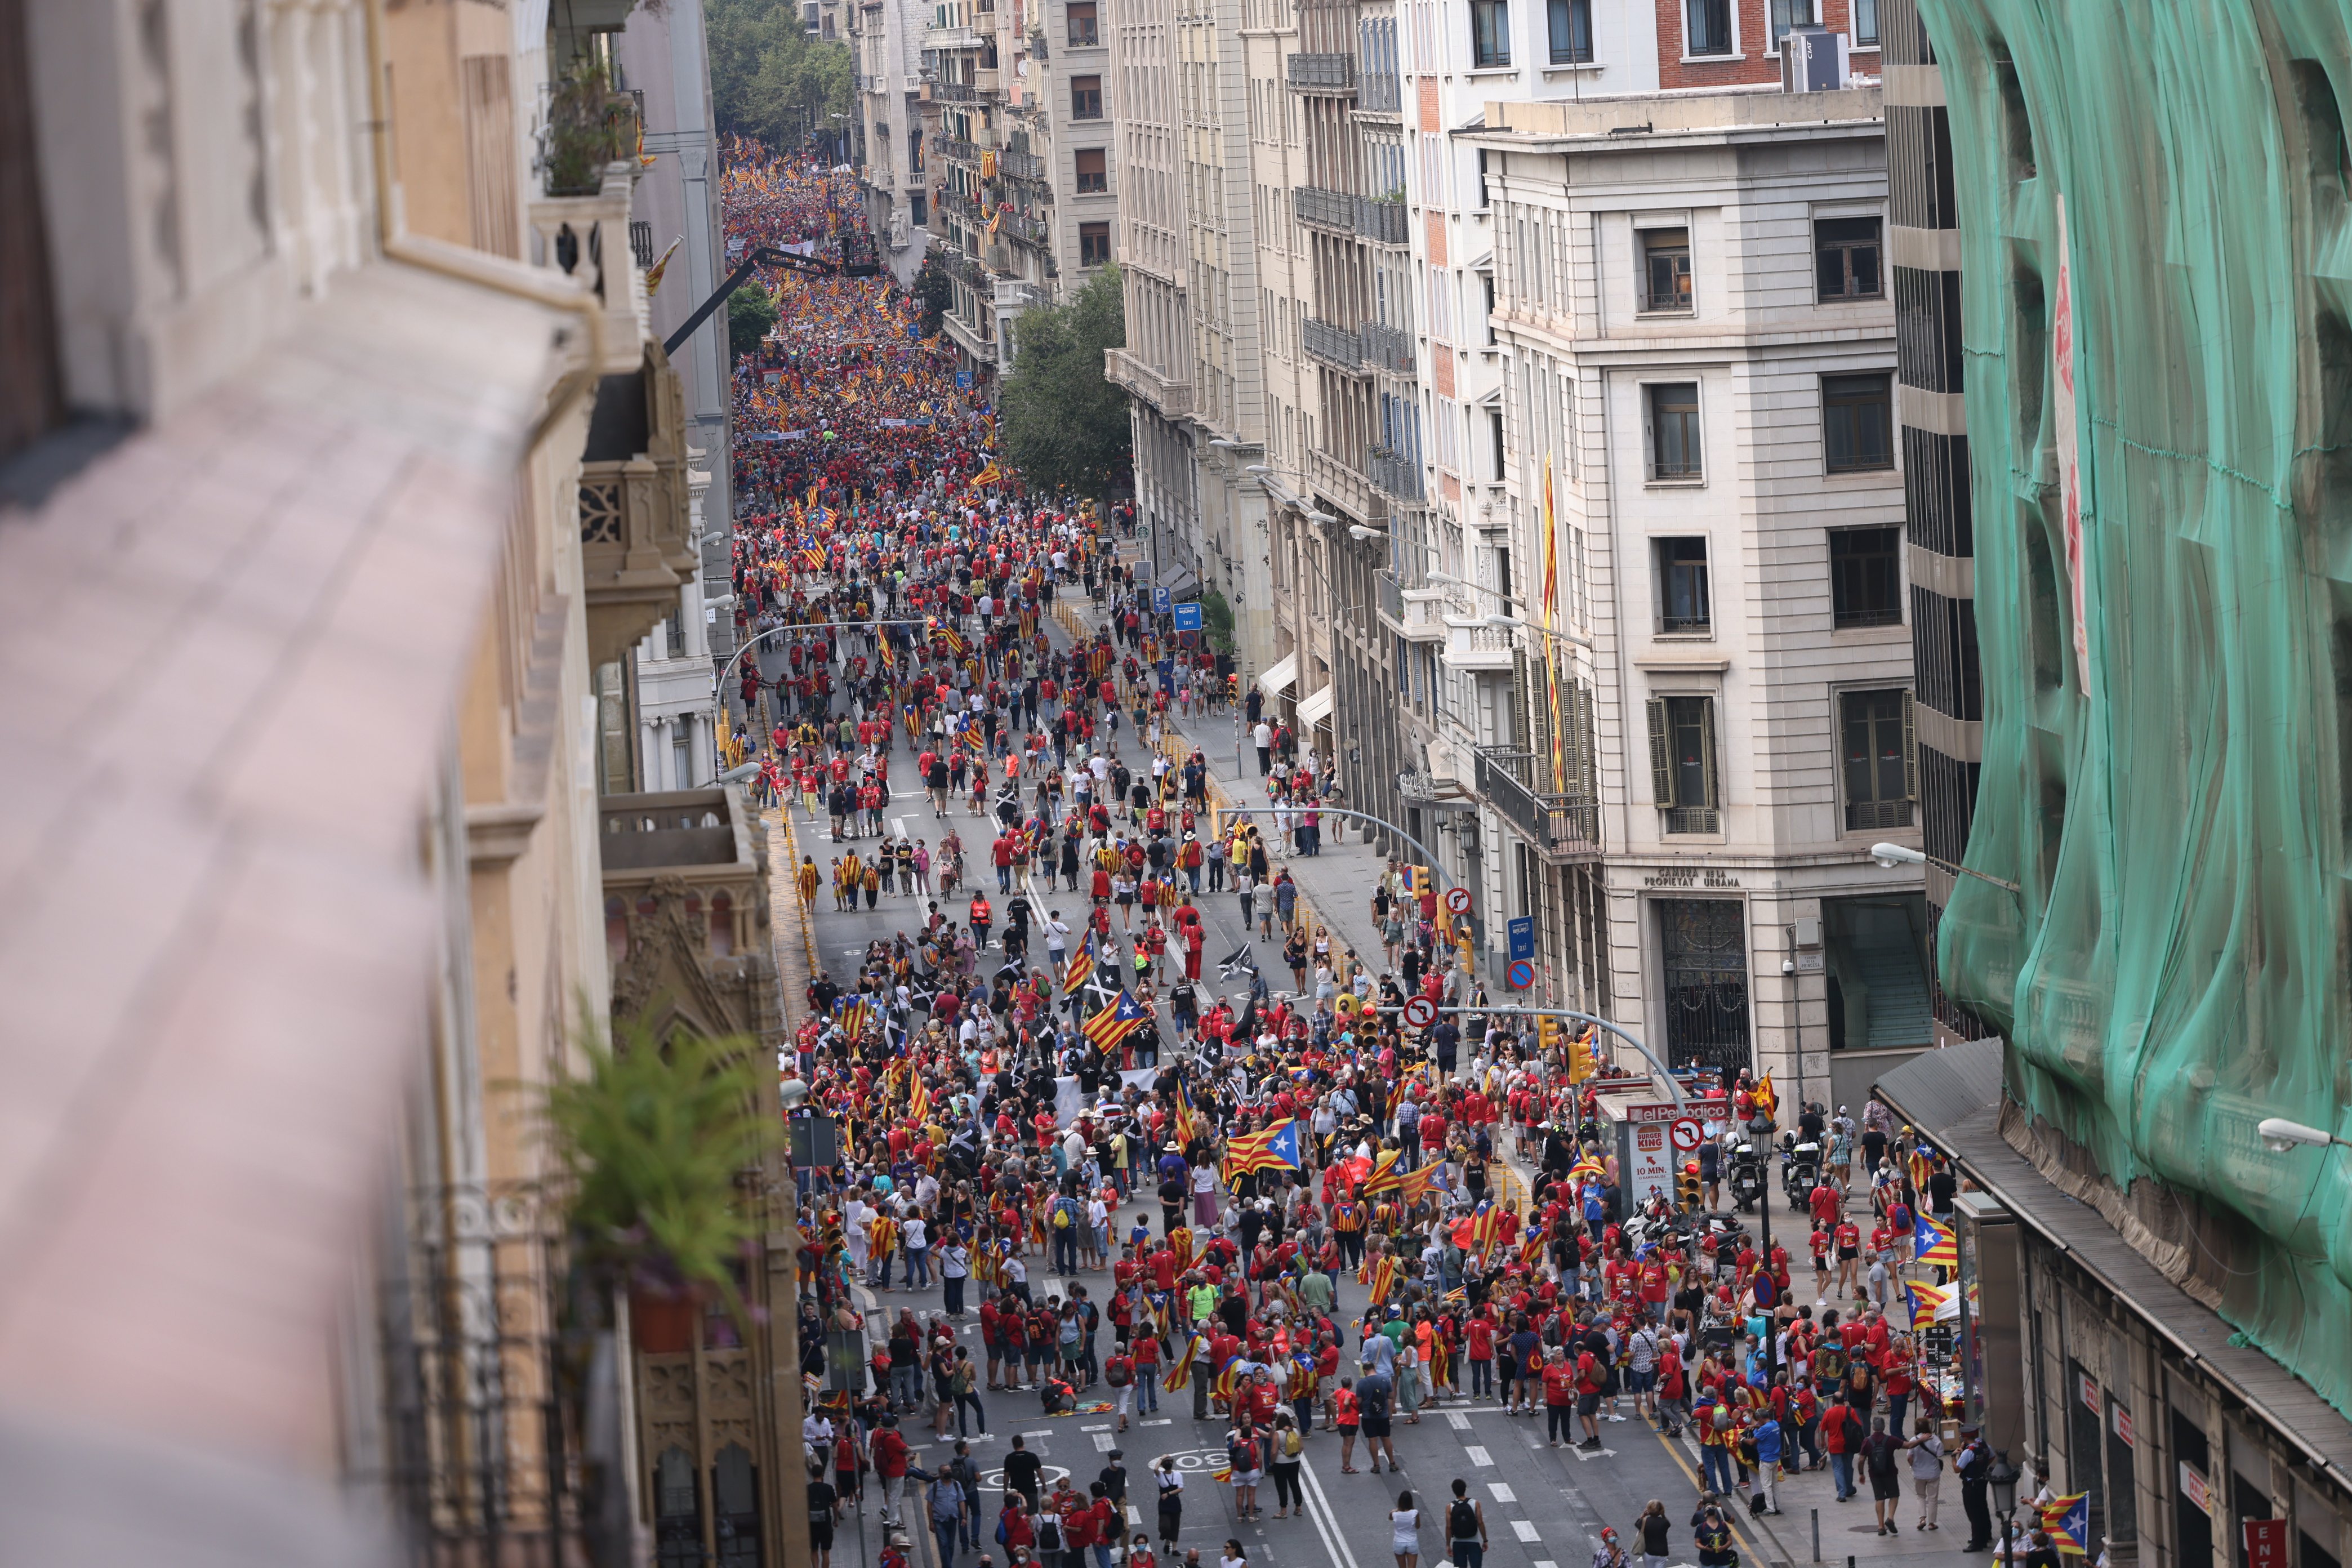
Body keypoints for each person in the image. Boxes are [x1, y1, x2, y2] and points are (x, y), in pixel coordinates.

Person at [1954, 1425, 1995, 1550]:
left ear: (1965, 1437)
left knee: (1973, 1513)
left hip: (1971, 1485)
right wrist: (1981, 1466)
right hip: (1982, 1481)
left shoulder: (1969, 1452)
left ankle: (1977, 1542)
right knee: (1983, 1508)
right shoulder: (1983, 1445)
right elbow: (1992, 1457)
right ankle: (1986, 1535)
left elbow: (1957, 1469)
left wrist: (1953, 1457)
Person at [1268, 1411, 1307, 1520]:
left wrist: (1272, 1463)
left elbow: (1274, 1452)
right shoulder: (1295, 1431)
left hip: (1280, 1463)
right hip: (1295, 1461)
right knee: (1295, 1484)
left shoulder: (1278, 1434)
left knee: (1282, 1487)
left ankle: (1283, 1511)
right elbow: (1301, 1447)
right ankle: (1298, 1508)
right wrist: (1295, 1456)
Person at [1906, 1428, 1946, 1532]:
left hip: (1919, 1473)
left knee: (1920, 1496)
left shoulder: (1913, 1440)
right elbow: (1940, 1454)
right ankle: (1932, 1523)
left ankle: (1922, 1519)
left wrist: (1913, 1466)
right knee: (1933, 1498)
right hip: (1933, 1473)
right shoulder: (1935, 1439)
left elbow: (1909, 1457)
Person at [1446, 1477, 1490, 1568]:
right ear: (1465, 1489)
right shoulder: (1475, 1503)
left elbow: (1449, 1527)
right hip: (1473, 1542)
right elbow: (1480, 1523)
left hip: (1458, 1544)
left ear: (1453, 1491)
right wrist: (1485, 1540)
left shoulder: (1450, 1507)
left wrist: (1448, 1545)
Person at [808, 1457, 842, 1568]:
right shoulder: (828, 1488)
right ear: (823, 1474)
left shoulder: (807, 1489)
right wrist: (836, 1519)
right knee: (825, 1552)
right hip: (825, 1524)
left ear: (812, 1474)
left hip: (812, 1524)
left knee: (814, 1550)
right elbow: (835, 1505)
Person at [1155, 1455, 1186, 1554]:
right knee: (1165, 1526)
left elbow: (1181, 1488)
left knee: (1175, 1525)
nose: (1168, 1463)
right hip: (1164, 1505)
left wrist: (1169, 1493)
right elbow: (1155, 1469)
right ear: (1163, 1465)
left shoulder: (1177, 1474)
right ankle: (1167, 1540)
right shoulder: (1160, 1475)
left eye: (1169, 1461)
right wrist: (1162, 1458)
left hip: (1175, 1503)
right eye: (1166, 1462)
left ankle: (1174, 1549)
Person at [1390, 1489, 1424, 1568]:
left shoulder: (1394, 1514)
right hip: (1412, 1542)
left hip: (1399, 1543)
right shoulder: (1415, 1513)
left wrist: (1396, 1510)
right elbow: (1418, 1526)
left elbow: (1390, 1517)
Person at [1634, 1499, 1672, 1568]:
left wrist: (1643, 1515)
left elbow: (1637, 1524)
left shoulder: (1644, 1522)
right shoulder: (1664, 1522)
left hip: (1648, 1552)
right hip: (1662, 1552)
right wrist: (1663, 1515)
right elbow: (1668, 1524)